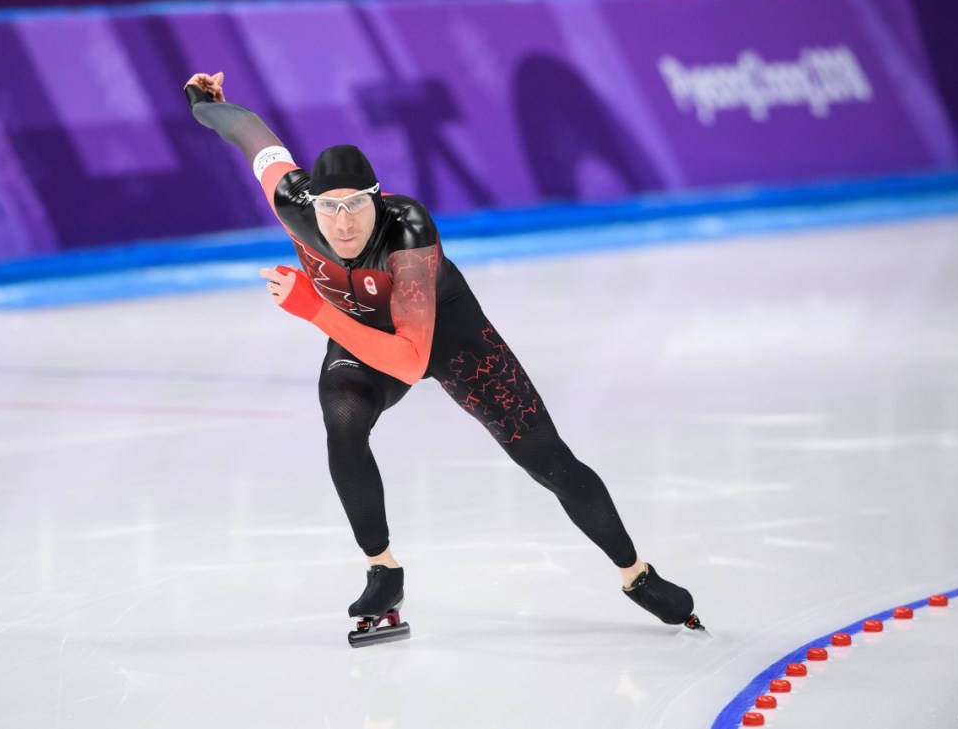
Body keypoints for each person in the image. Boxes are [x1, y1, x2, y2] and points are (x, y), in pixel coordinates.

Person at [184, 71, 702, 646]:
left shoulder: (407, 230)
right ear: (310, 205)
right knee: (343, 423)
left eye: (357, 205)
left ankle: (637, 576)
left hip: (452, 341)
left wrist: (313, 310)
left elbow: (409, 361)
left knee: (548, 460)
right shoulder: (290, 200)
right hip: (362, 339)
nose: (344, 221)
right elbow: (251, 135)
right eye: (330, 209)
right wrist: (206, 104)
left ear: (376, 200)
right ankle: (383, 570)